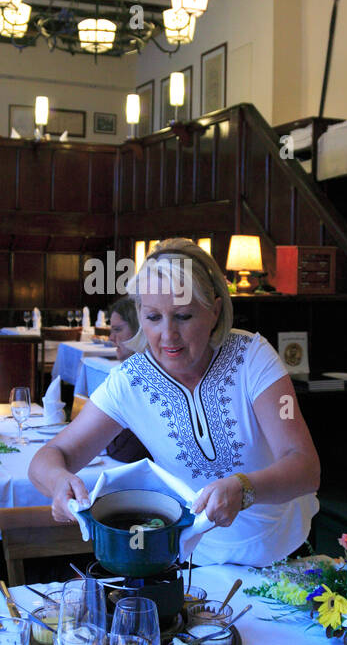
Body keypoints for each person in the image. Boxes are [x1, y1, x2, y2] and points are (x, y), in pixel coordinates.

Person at [29, 238, 321, 566]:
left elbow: (305, 468)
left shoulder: (252, 358)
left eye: (183, 316)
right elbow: (50, 457)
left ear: (215, 310)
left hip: (286, 556)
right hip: (198, 562)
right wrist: (58, 482)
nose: (168, 335)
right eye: (153, 317)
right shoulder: (131, 380)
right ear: (139, 314)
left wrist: (244, 488)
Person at [100, 296, 150, 463]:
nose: (111, 338)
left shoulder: (149, 380)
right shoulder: (124, 377)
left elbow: (130, 452)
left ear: (138, 330)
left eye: (118, 330)